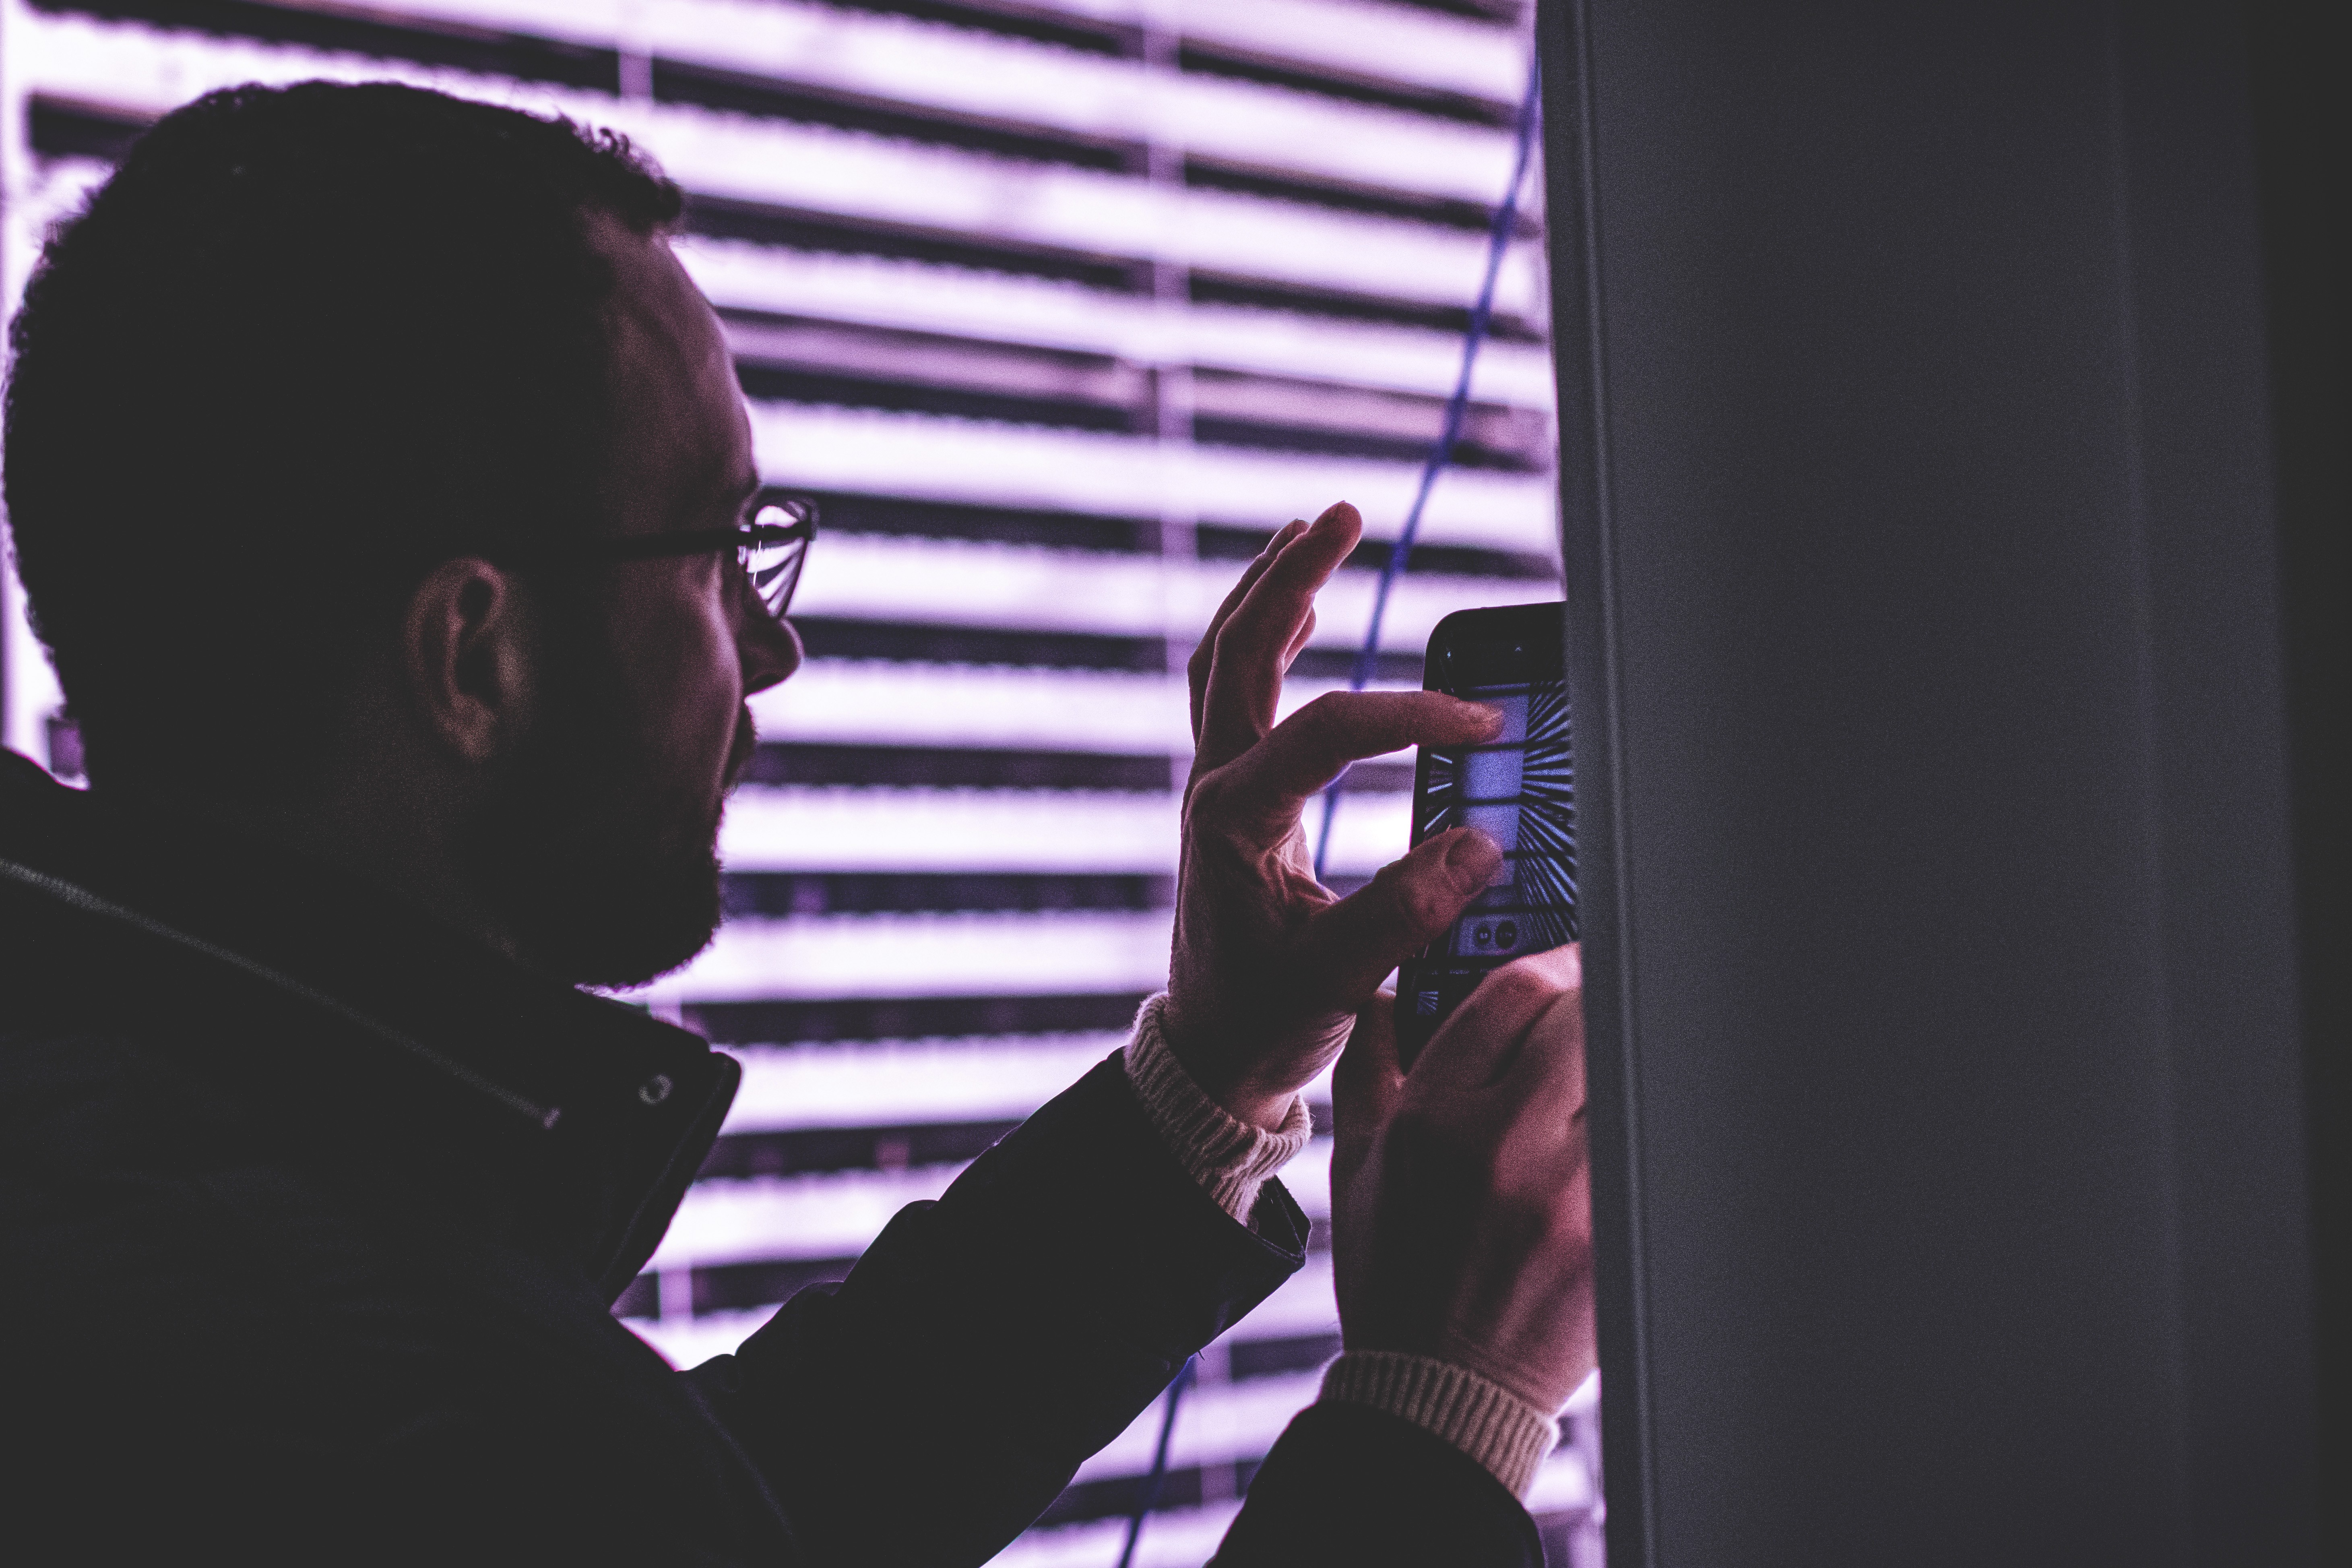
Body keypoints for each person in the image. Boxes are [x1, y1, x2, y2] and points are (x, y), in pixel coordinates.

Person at [0, 82, 1592, 1564]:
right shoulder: (347, 1378)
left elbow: (704, 1507)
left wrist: (1211, 1080)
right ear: (472, 654)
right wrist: (1438, 1401)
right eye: (716, 550)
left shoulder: (141, 1180)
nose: (774, 650)